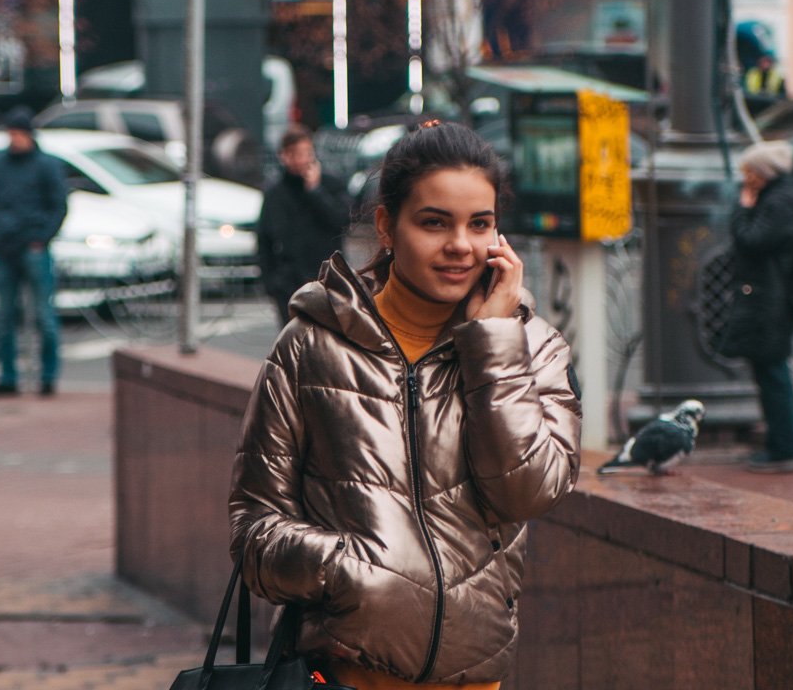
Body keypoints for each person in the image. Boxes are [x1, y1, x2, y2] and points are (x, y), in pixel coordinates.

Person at [229, 121, 582, 688]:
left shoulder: (531, 347)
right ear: (387, 226)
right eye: (434, 222)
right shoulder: (311, 345)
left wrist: (492, 347)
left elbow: (530, 491)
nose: (461, 246)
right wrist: (352, 572)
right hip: (343, 678)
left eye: (480, 224)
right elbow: (252, 531)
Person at [716, 140, 793, 473]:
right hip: (770, 297)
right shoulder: (781, 198)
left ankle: (784, 449)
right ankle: (779, 446)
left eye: (749, 171)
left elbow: (751, 240)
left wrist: (743, 207)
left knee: (773, 373)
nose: (744, 177)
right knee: (769, 371)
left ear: (763, 173)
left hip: (773, 300)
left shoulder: (778, 203)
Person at [0, 107, 68, 398]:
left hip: (32, 246)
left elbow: (58, 206)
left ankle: (48, 376)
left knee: (44, 315)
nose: (14, 139)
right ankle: (8, 377)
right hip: (5, 247)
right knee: (5, 317)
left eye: (18, 134)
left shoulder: (45, 166)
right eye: (11, 134)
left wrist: (41, 237)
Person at [257, 125, 354, 326]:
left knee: (326, 344)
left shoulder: (330, 184)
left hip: (327, 282)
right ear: (283, 156)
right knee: (293, 345)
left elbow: (342, 221)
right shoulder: (275, 193)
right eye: (294, 154)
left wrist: (315, 191)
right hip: (289, 285)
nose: (301, 159)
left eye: (306, 153)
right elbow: (264, 239)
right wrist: (271, 283)